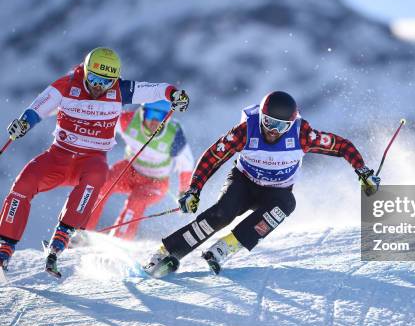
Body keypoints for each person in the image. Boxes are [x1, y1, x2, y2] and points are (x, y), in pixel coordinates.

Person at [144, 91, 380, 277]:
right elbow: (214, 156)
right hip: (244, 183)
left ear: (291, 123)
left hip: (276, 192)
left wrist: (363, 171)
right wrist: (194, 188)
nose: (272, 131)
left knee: (287, 204)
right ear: (261, 117)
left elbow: (342, 146)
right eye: (268, 122)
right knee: (222, 214)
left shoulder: (302, 135)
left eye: (281, 126)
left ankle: (226, 247)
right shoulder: (247, 130)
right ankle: (166, 252)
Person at [0, 47, 190, 276]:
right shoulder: (69, 86)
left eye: (107, 82)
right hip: (63, 155)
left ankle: (67, 237)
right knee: (25, 182)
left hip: (109, 165)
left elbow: (155, 91)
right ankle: (5, 248)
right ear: (85, 71)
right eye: (94, 79)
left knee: (102, 180)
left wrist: (174, 94)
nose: (99, 86)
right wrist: (23, 123)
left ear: (116, 79)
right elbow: (40, 106)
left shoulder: (122, 92)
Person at [84, 101, 194, 240]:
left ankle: (121, 239)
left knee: (137, 200)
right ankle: (81, 229)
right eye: (151, 114)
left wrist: (184, 192)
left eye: (161, 116)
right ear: (142, 113)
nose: (155, 121)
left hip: (156, 182)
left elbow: (187, 165)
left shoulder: (173, 134)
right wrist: (77, 112)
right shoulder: (129, 121)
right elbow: (103, 118)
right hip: (129, 171)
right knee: (101, 184)